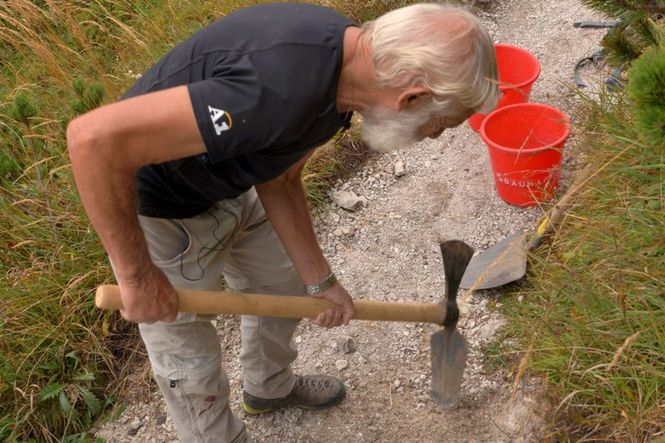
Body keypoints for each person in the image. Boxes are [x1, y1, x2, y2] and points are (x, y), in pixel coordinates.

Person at [67, 2, 498, 442]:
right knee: (189, 365)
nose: (435, 136)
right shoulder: (274, 88)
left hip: (233, 183)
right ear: (413, 98)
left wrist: (320, 281)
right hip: (164, 212)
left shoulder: (346, 72)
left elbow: (282, 171)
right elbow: (93, 142)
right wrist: (137, 276)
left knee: (284, 284)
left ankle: (269, 389)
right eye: (442, 125)